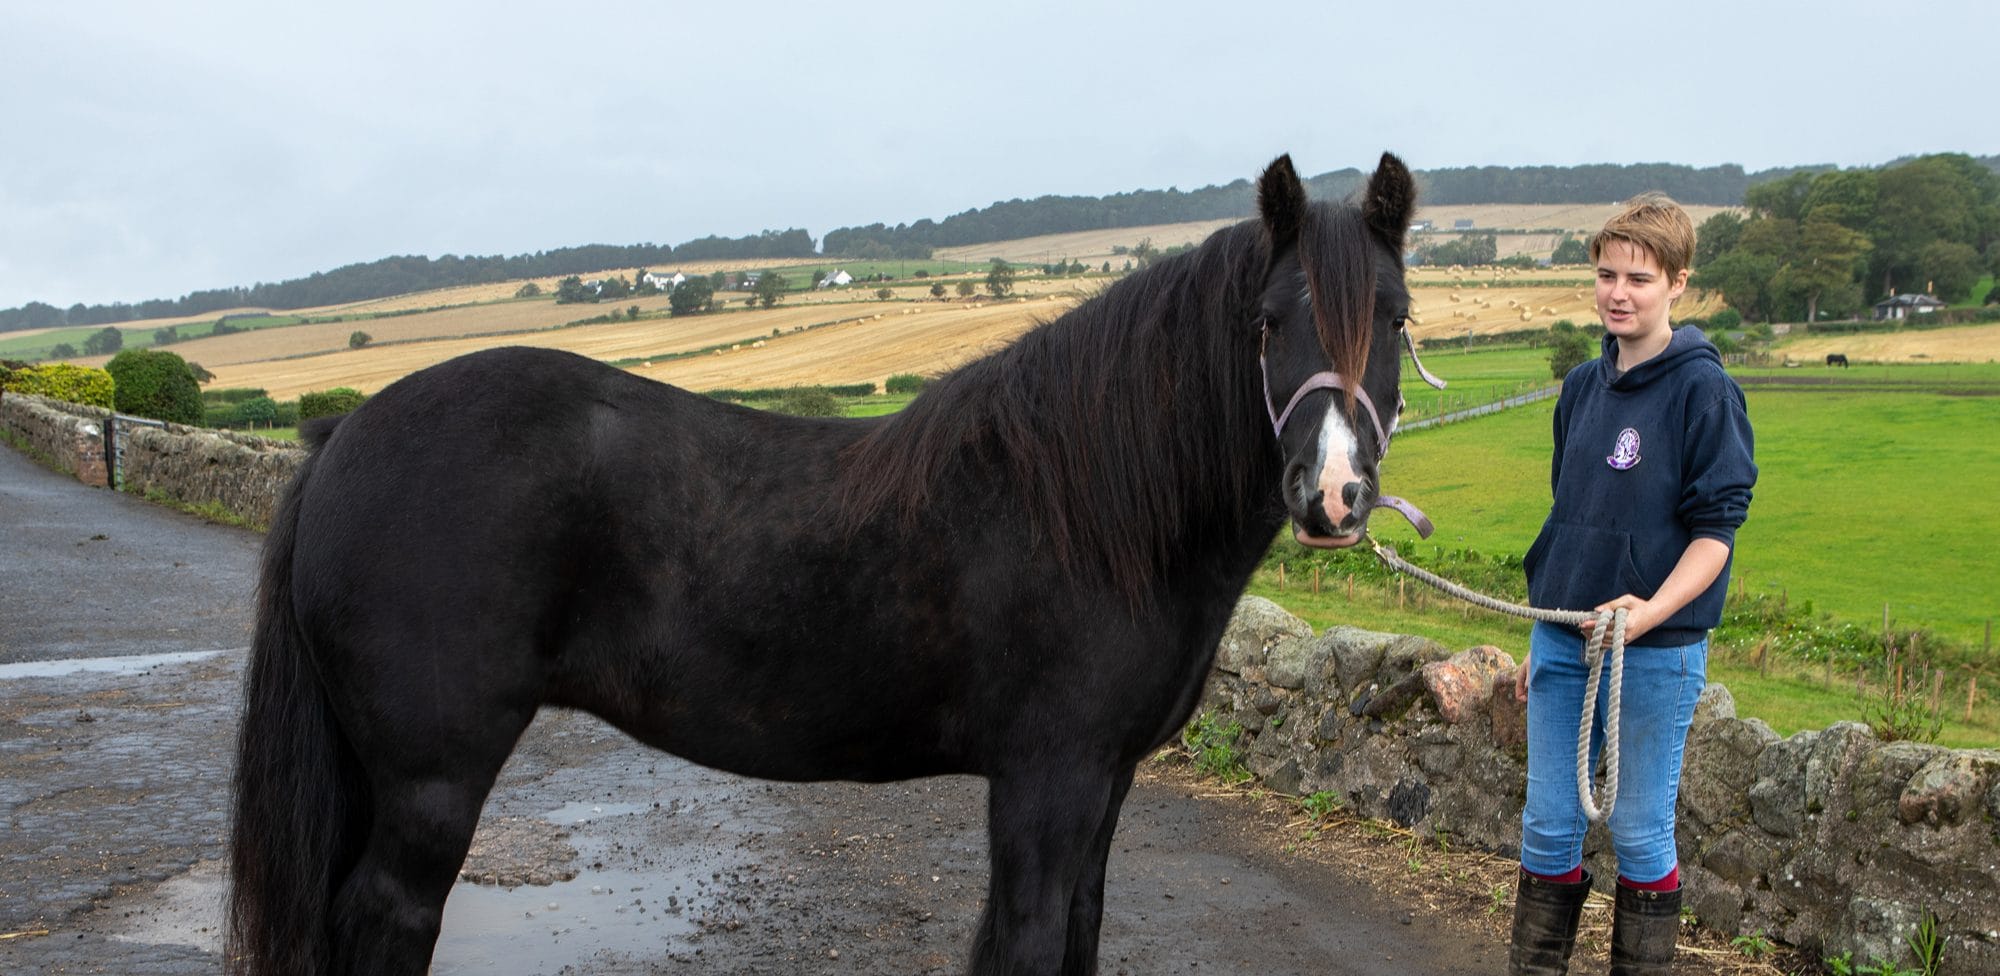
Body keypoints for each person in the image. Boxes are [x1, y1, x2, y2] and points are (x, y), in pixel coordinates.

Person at [1506, 195, 1756, 975]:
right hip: (1561, 640)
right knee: (1548, 829)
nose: (1619, 292)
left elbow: (1716, 535)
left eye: (1639, 278)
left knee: (1642, 831)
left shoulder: (1704, 392)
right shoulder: (1581, 387)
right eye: (1606, 274)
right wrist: (1536, 639)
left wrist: (1649, 613)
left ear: (1678, 284)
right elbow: (1571, 519)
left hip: (1655, 652)